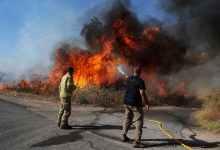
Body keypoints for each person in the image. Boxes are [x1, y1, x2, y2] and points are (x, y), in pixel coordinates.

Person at [122, 66, 149, 148]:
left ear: (134, 71)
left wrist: (128, 78)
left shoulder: (128, 79)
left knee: (127, 119)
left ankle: (124, 135)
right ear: (140, 72)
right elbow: (142, 93)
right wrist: (146, 103)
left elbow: (126, 84)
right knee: (139, 121)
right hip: (135, 104)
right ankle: (137, 141)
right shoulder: (140, 81)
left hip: (126, 103)